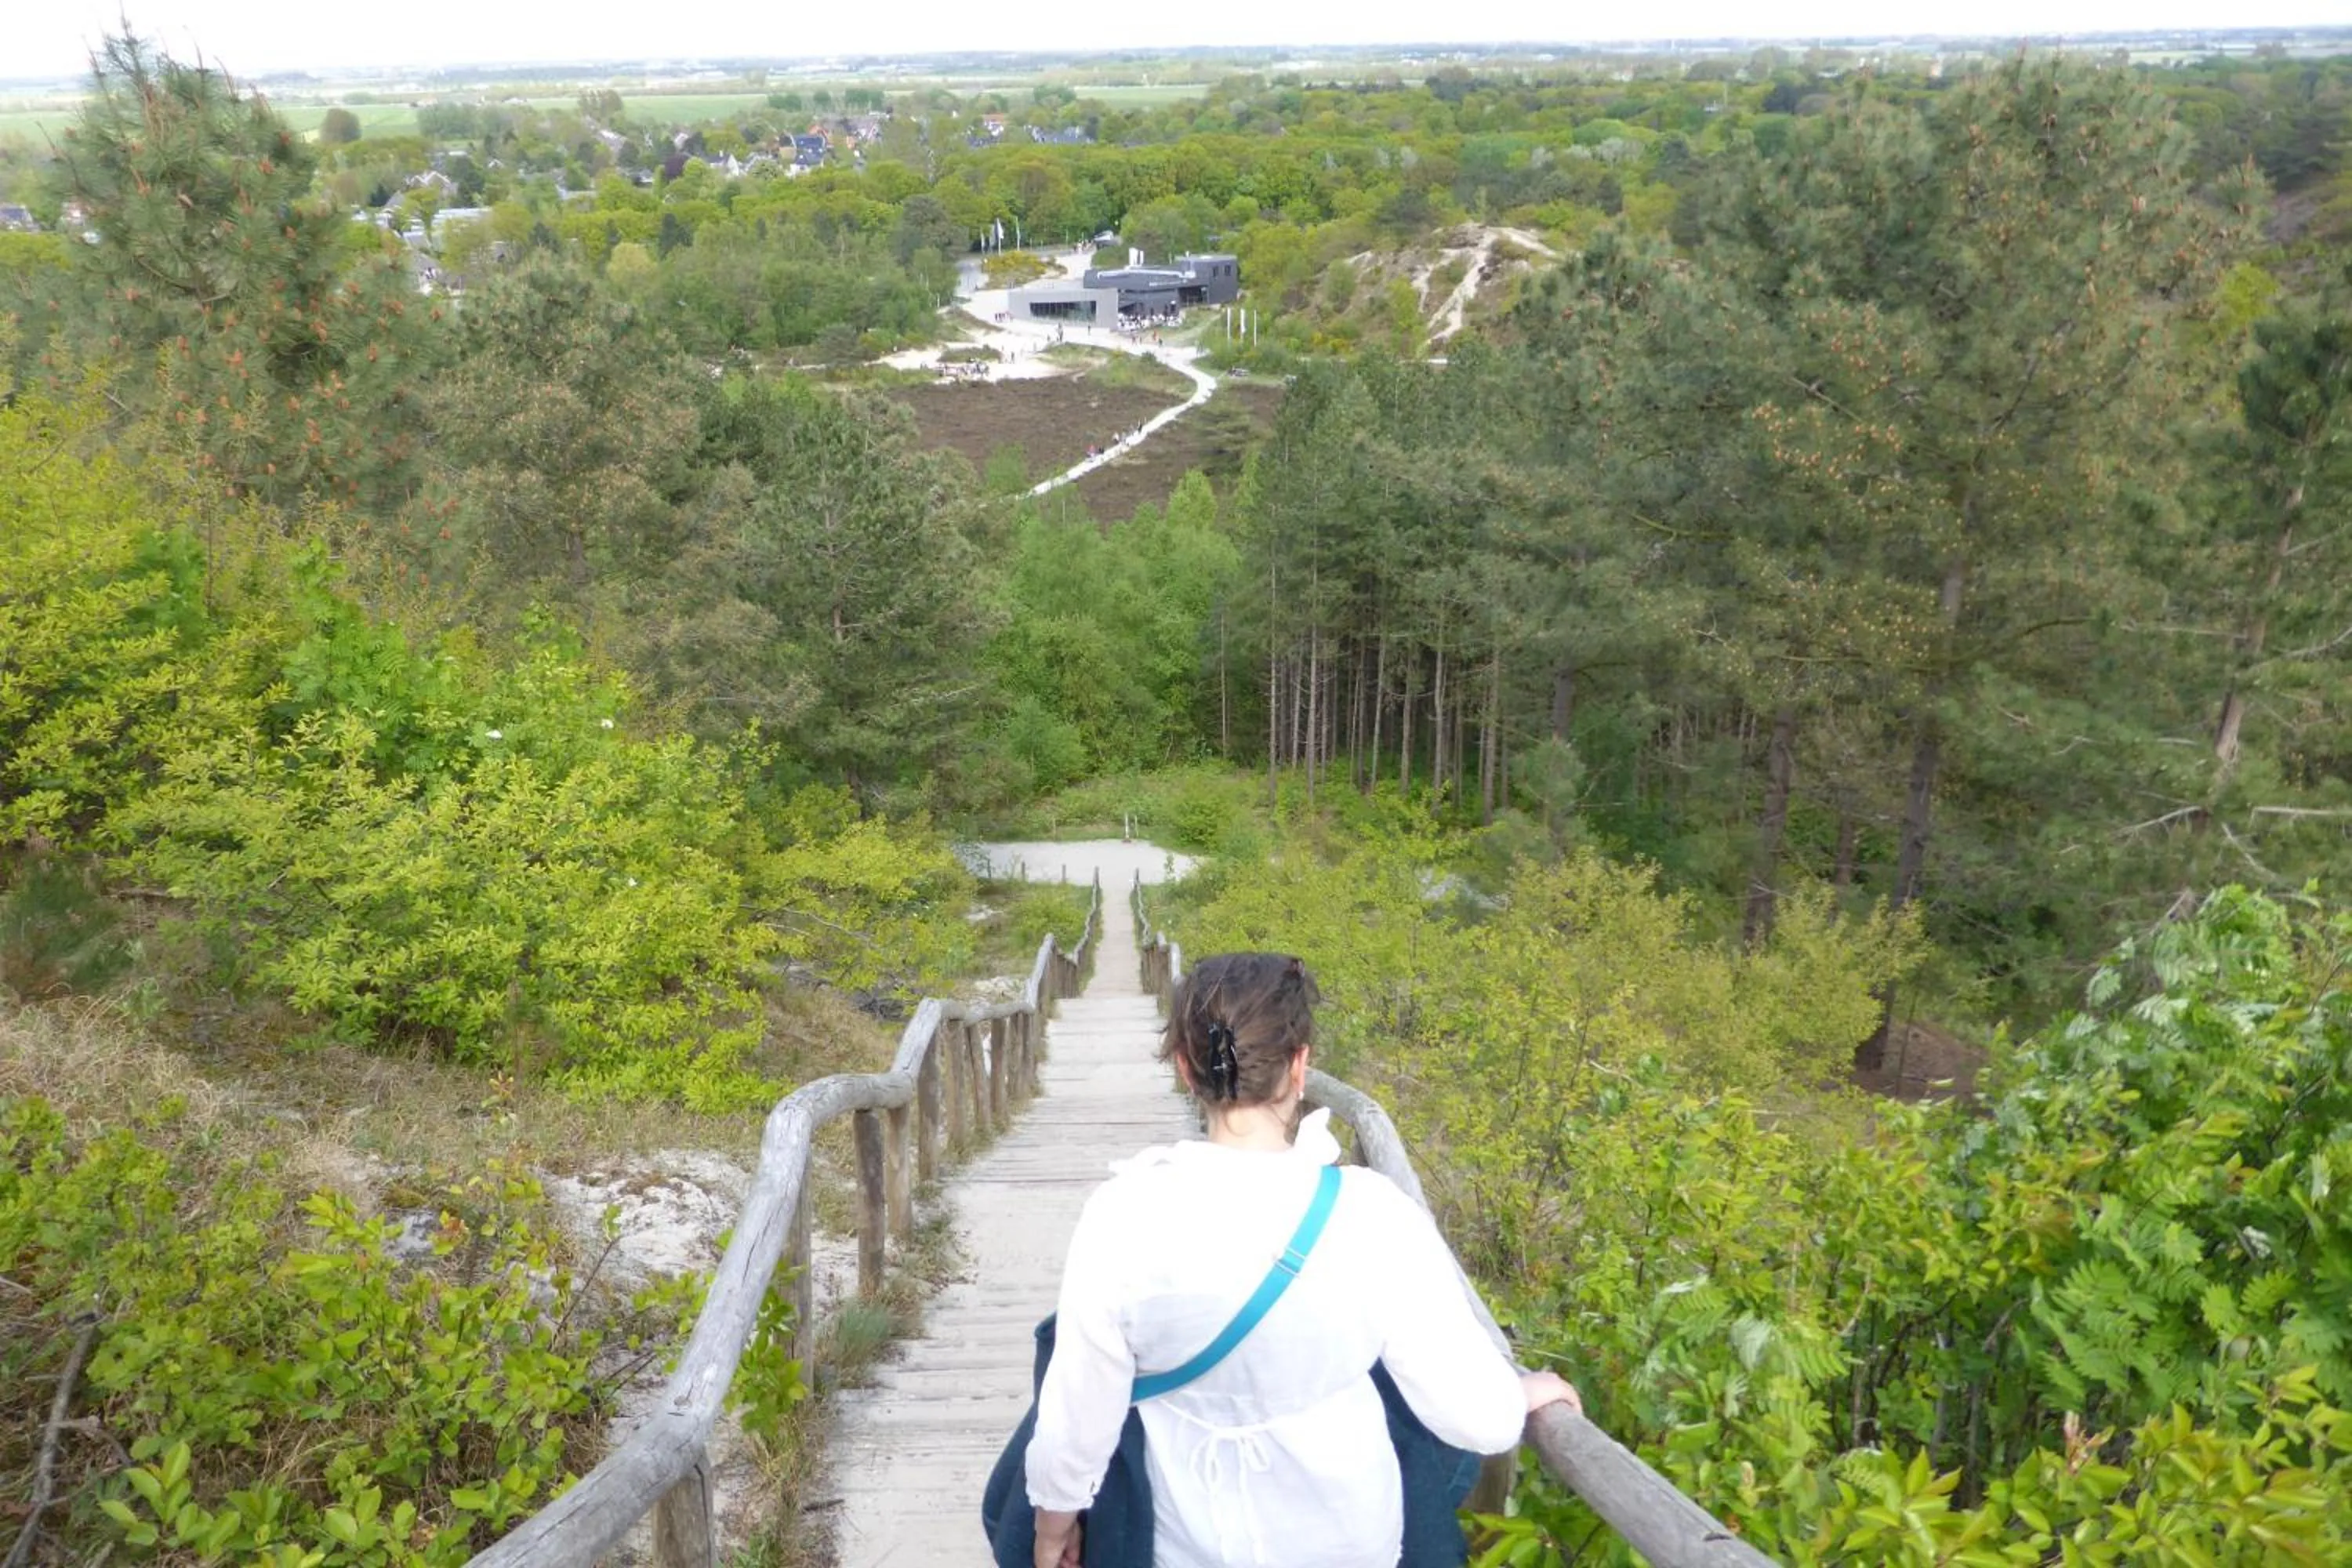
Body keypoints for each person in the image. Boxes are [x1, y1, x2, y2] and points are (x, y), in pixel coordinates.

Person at [1023, 953, 1578, 1568]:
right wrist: (1520, 1394)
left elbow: (1079, 1411)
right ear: (1299, 1064)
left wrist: (1053, 1528)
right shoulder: (1371, 1214)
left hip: (1192, 1543)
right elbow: (1474, 1419)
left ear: (1185, 1066)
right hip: (1350, 1542)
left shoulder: (1123, 1213)